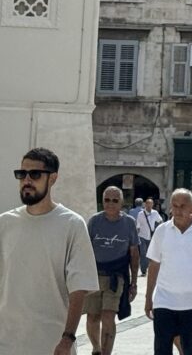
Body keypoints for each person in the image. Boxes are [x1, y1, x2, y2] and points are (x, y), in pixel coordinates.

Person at [0, 148, 99, 355]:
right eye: (22, 174)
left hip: (52, 345)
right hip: (7, 343)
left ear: (52, 178)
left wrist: (68, 338)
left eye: (34, 174)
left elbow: (78, 288)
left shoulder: (72, 224)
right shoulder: (5, 223)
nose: (26, 180)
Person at [144, 188, 192, 355]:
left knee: (190, 350)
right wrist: (149, 297)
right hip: (164, 301)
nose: (178, 210)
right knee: (162, 350)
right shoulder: (162, 231)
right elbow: (154, 265)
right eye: (175, 206)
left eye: (183, 206)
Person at [85, 186, 140, 355]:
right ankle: (96, 348)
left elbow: (134, 253)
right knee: (93, 317)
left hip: (116, 277)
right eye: (107, 200)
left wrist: (134, 282)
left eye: (115, 200)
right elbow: (84, 249)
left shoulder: (129, 222)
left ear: (122, 203)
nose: (110, 204)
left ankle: (106, 353)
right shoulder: (94, 221)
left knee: (108, 316)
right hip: (94, 276)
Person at [137, 197, 164, 277]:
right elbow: (138, 226)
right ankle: (143, 270)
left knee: (151, 253)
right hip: (142, 236)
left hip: (151, 236)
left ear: (152, 205)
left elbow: (160, 221)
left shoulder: (155, 213)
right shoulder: (141, 214)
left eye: (151, 204)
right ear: (145, 204)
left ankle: (149, 267)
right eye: (148, 204)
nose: (149, 206)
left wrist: (159, 230)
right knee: (143, 253)